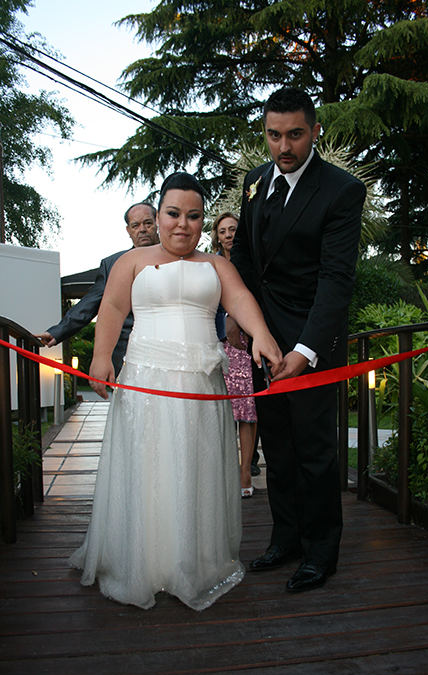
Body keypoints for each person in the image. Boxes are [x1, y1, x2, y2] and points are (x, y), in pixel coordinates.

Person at [69, 172, 282, 611]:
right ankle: (141, 561)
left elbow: (240, 299)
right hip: (146, 381)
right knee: (149, 465)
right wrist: (100, 356)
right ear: (158, 214)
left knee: (194, 463)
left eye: (193, 215)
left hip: (201, 385)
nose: (182, 224)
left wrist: (261, 334)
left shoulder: (216, 265)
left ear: (202, 220)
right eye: (172, 214)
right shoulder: (133, 261)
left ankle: (192, 558)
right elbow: (111, 306)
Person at [229, 88, 366, 593]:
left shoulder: (341, 190)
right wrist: (246, 320)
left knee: (314, 452)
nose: (282, 146)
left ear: (314, 131)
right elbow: (243, 253)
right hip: (263, 341)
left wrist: (305, 352)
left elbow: (336, 281)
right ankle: (284, 539)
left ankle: (320, 553)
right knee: (279, 449)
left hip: (310, 343)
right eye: (273, 135)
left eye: (294, 134)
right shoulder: (254, 182)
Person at [35, 202, 158, 376]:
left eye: (148, 223)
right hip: (126, 351)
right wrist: (57, 331)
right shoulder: (112, 264)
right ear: (128, 230)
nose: (142, 229)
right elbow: (90, 302)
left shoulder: (178, 259)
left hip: (170, 347)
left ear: (157, 223)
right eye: (135, 225)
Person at [211, 211, 258, 498]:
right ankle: (223, 473)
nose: (229, 235)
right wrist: (227, 317)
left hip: (247, 344)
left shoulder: (252, 263)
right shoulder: (209, 265)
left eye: (233, 230)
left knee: (247, 412)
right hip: (217, 344)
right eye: (223, 231)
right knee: (222, 412)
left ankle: (244, 474)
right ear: (217, 236)